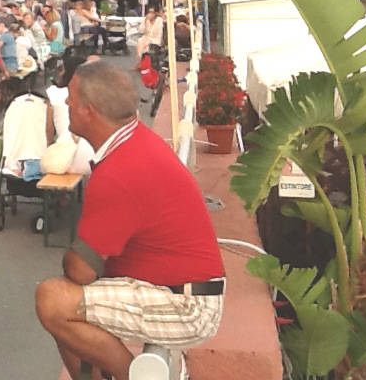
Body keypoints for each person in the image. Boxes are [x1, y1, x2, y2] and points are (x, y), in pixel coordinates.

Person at [35, 62, 224, 378]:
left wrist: (74, 261)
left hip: (188, 307)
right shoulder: (134, 142)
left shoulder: (122, 169)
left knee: (53, 300)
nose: (66, 104)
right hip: (182, 290)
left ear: (89, 111)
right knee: (67, 304)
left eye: (70, 98)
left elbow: (80, 270)